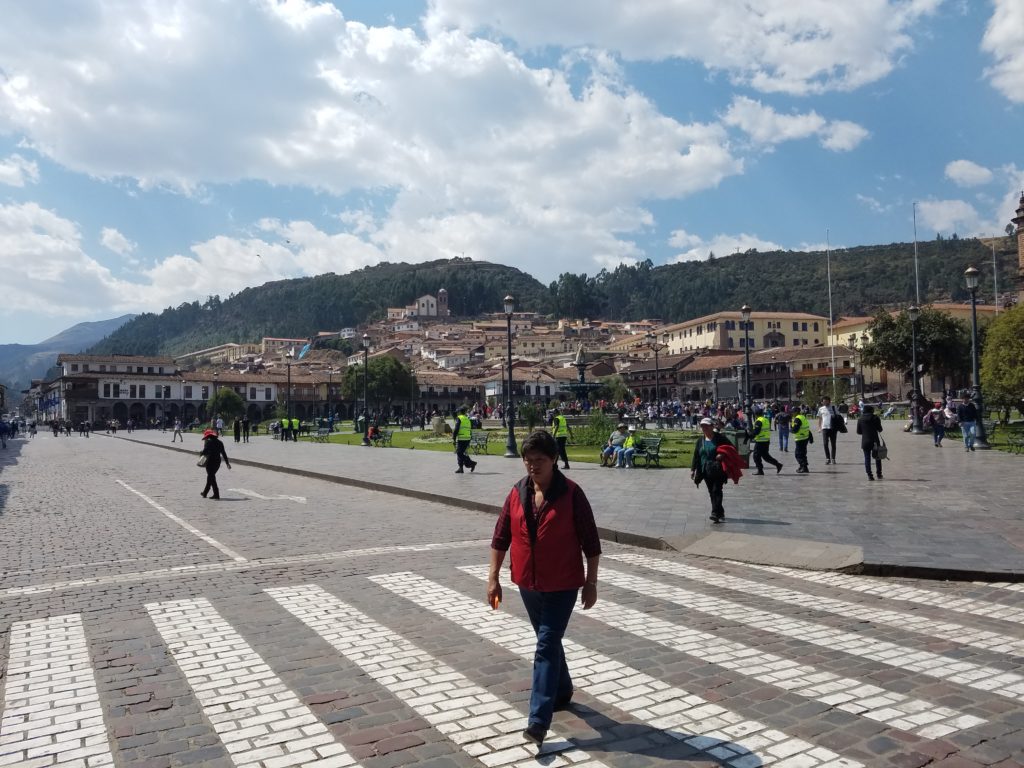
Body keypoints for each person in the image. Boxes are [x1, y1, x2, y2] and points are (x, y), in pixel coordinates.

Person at [486, 430, 601, 746]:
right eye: (528, 460)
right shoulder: (517, 492)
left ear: (553, 460)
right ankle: (561, 689)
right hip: (528, 583)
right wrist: (493, 578)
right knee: (547, 640)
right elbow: (500, 538)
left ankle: (538, 720)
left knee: (546, 643)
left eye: (539, 460)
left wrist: (591, 583)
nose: (533, 466)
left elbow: (591, 543)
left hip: (563, 583)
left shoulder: (572, 494)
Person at [690, 417, 743, 523]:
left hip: (719, 469)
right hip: (705, 470)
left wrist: (722, 454)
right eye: (702, 426)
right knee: (711, 491)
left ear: (712, 426)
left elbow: (732, 449)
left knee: (716, 490)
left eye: (706, 426)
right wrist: (693, 469)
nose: (704, 428)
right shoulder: (700, 440)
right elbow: (696, 455)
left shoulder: (720, 438)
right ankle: (720, 511)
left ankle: (714, 513)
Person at [749, 406, 783, 475]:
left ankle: (760, 470)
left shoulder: (758, 421)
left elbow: (756, 431)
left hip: (760, 441)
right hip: (766, 441)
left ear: (755, 415)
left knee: (756, 456)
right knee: (766, 456)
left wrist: (750, 435)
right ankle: (777, 464)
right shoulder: (765, 420)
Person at [199, 428, 231, 499]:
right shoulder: (220, 442)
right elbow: (224, 453)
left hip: (210, 462)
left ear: (208, 436)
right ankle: (205, 493)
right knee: (211, 476)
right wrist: (227, 463)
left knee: (211, 477)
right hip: (217, 462)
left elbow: (204, 452)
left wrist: (200, 453)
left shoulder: (208, 442)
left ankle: (216, 494)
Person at [856, 405, 884, 481]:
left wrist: (865, 431)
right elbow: (880, 429)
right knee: (878, 457)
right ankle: (879, 474)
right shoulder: (875, 418)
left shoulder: (860, 419)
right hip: (875, 440)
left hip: (865, 441)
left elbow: (858, 432)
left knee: (867, 458)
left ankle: (869, 475)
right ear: (872, 410)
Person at [816, 396, 842, 465]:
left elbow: (838, 416)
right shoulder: (821, 409)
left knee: (833, 444)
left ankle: (833, 458)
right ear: (822, 402)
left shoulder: (834, 407)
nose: (824, 402)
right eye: (823, 401)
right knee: (825, 444)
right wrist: (819, 427)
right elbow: (820, 419)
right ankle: (827, 458)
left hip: (833, 428)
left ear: (829, 401)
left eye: (826, 401)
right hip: (824, 428)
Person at [453, 406, 477, 473]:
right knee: (461, 453)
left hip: (462, 438)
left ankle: (471, 463)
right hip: (467, 438)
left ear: (460, 412)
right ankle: (461, 468)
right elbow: (469, 429)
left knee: (459, 453)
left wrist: (453, 438)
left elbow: (456, 429)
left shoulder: (459, 418)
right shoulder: (467, 418)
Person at [791, 408, 812, 473]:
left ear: (796, 412)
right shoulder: (803, 417)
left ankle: (804, 467)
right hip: (805, 438)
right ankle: (802, 466)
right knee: (803, 453)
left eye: (793, 412)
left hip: (800, 438)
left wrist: (791, 429)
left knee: (798, 454)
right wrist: (810, 437)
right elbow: (807, 428)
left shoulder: (797, 419)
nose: (792, 413)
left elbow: (795, 430)